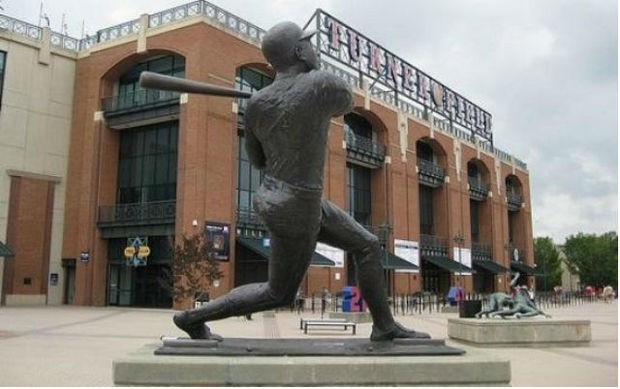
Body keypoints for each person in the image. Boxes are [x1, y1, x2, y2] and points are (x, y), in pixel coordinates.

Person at [173, 21, 429, 342]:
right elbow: (345, 102)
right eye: (309, 43)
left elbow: (257, 160)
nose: (314, 49)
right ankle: (192, 317)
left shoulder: (257, 105)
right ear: (298, 51)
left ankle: (385, 326)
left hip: (278, 197)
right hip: (298, 203)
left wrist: (277, 109)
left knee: (366, 245)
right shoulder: (319, 83)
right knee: (278, 293)